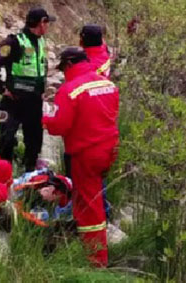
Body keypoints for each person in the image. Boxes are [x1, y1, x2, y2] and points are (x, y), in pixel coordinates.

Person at [42, 47, 119, 267]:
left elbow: (60, 126)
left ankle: (95, 260)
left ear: (68, 65)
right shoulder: (108, 85)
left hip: (86, 153)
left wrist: (45, 120)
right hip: (109, 149)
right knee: (93, 195)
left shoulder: (70, 90)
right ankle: (86, 242)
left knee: (89, 206)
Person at [0, 7, 56, 172]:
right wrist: (1, 88)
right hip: (13, 102)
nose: (48, 27)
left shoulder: (41, 42)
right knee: (5, 139)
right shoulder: (13, 42)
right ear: (41, 23)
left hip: (34, 102)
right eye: (47, 23)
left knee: (34, 142)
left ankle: (29, 177)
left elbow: (40, 67)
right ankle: (2, 174)